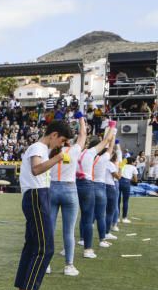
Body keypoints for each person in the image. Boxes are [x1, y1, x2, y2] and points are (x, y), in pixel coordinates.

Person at [13, 120, 73, 290]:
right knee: (45, 248)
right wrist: (58, 158)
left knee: (32, 246)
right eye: (62, 140)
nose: (61, 145)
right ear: (54, 134)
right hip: (36, 197)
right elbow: (36, 169)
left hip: (39, 195)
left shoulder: (41, 148)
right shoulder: (38, 147)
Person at [47, 109, 87, 276]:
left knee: (49, 229)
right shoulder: (74, 151)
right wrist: (81, 118)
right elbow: (83, 134)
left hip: (52, 188)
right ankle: (69, 265)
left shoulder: (49, 150)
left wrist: (57, 121)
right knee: (68, 231)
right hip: (69, 189)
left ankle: (46, 264)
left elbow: (49, 134)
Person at [75, 126, 114, 259]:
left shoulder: (72, 152)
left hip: (73, 184)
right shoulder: (93, 154)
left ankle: (72, 245)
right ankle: (95, 244)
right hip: (91, 185)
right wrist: (112, 128)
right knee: (94, 217)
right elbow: (109, 144)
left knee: (72, 219)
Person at [118, 154, 137, 223]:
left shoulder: (122, 165)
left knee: (117, 201)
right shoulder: (133, 167)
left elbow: (119, 169)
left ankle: (117, 217)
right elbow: (135, 179)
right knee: (125, 201)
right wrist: (132, 181)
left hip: (119, 181)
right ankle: (124, 218)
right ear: (132, 162)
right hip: (126, 183)